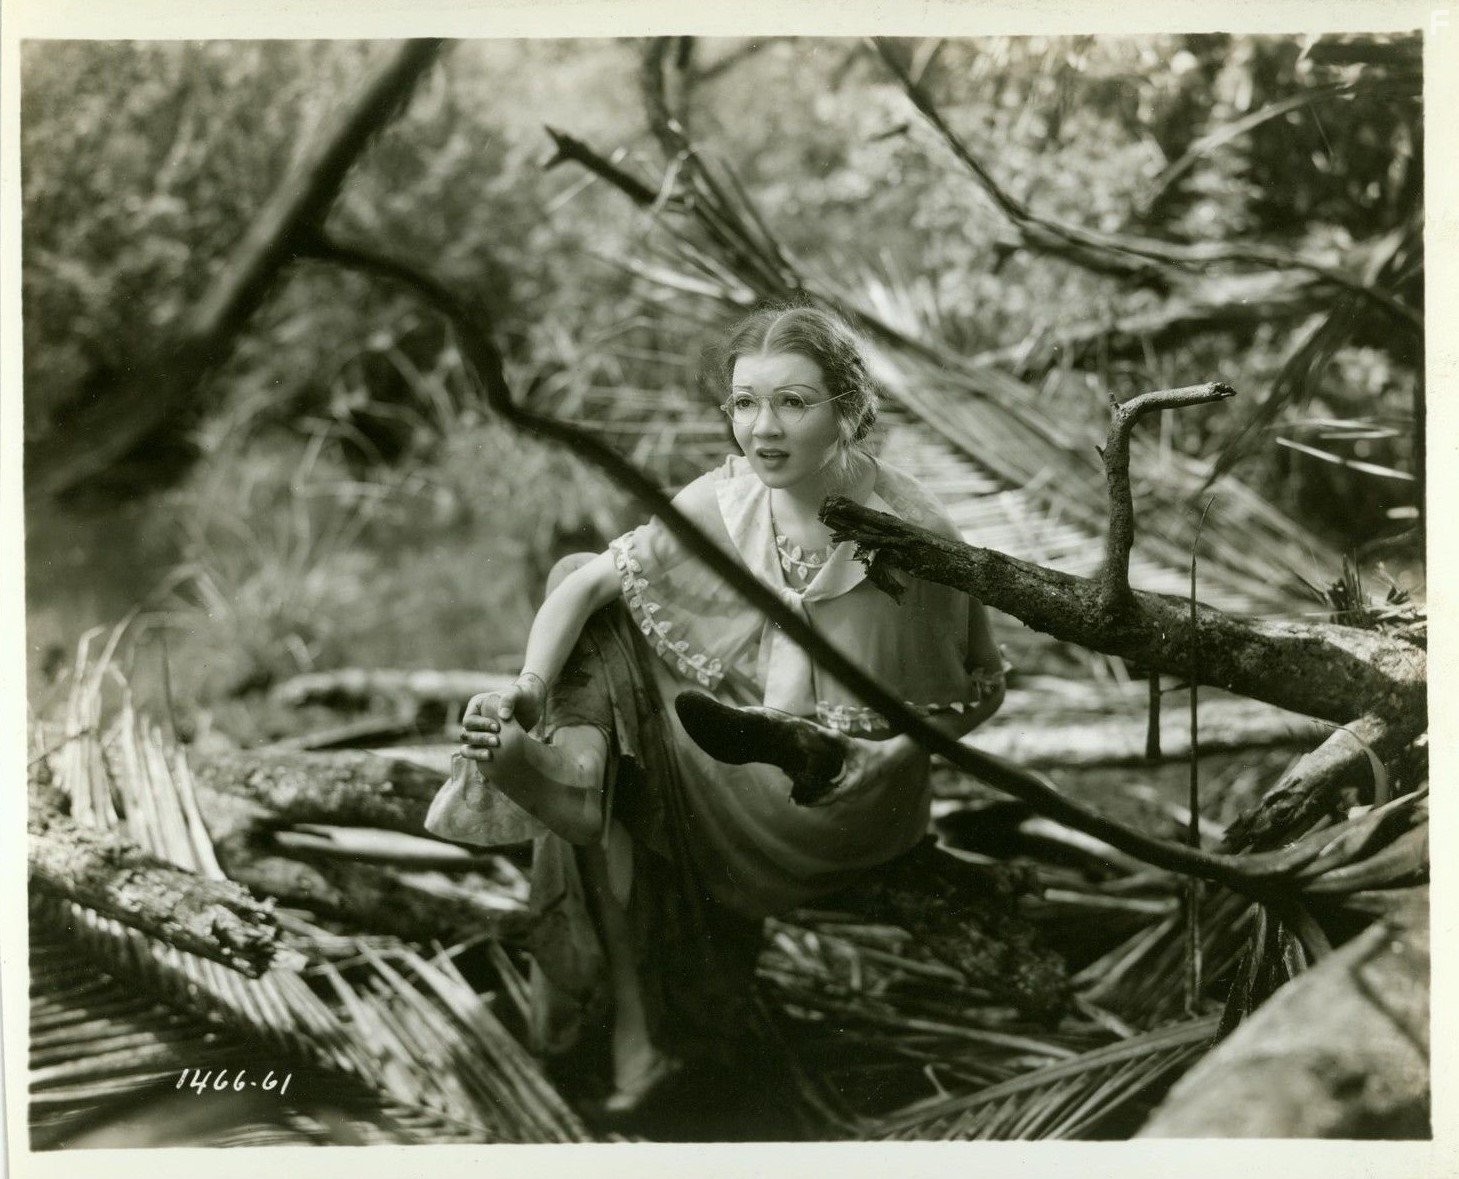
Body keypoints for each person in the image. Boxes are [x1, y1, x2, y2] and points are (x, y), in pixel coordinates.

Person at [440, 304, 1007, 1117]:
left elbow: (982, 690)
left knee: (602, 627)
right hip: (744, 767)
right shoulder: (733, 497)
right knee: (586, 577)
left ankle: (580, 786)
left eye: (791, 403)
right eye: (744, 403)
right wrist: (527, 688)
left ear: (847, 409)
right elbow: (589, 583)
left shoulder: (909, 528)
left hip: (846, 798)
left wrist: (897, 755)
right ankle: (573, 766)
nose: (761, 429)